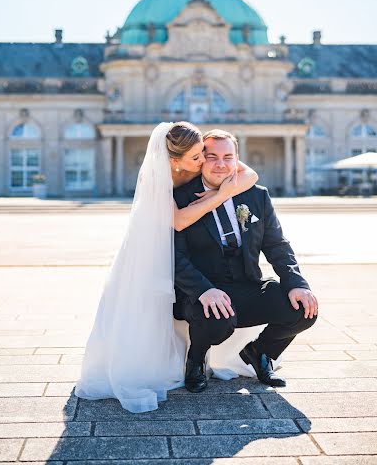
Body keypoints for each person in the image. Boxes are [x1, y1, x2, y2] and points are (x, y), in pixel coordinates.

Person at [74, 121, 259, 413]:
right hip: (151, 246)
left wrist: (218, 188)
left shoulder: (194, 153)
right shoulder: (155, 177)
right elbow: (179, 220)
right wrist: (221, 195)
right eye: (198, 157)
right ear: (174, 161)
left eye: (203, 154)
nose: (203, 162)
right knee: (146, 309)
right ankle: (146, 362)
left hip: (175, 245)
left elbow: (250, 174)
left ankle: (192, 355)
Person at [173, 129, 319, 393]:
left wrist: (297, 283)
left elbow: (276, 245)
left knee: (303, 310)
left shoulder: (257, 195)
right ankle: (196, 359)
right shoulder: (179, 198)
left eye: (228, 157)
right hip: (202, 292)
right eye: (212, 156)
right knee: (217, 321)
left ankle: (260, 353)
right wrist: (203, 290)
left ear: (237, 159)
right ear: (200, 160)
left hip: (248, 285)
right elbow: (175, 256)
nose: (220, 164)